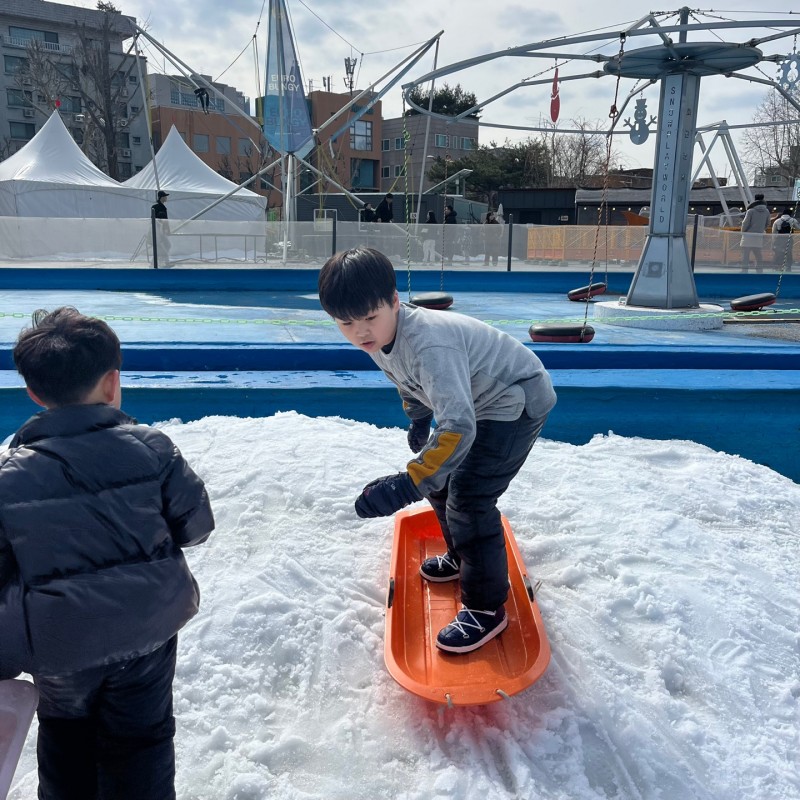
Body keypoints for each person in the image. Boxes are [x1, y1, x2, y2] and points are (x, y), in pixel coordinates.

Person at [0, 307, 215, 799]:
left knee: (66, 737)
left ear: (33, 393)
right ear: (113, 381)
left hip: (58, 646)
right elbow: (196, 526)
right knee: (144, 737)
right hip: (146, 628)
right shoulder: (153, 449)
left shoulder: (7, 477)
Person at [317, 248, 556, 654]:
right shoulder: (381, 337)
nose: (360, 332)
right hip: (474, 401)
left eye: (369, 318)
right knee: (440, 482)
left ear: (395, 301)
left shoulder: (429, 344)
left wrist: (406, 483)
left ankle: (485, 609)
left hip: (514, 401)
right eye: (346, 323)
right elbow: (408, 381)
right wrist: (418, 419)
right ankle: (462, 555)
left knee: (470, 498)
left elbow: (459, 426)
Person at [739, 193, 770, 272]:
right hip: (758, 236)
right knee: (758, 254)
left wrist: (743, 232)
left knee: (745, 254)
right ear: (763, 199)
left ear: (755, 199)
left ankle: (744, 270)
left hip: (748, 236)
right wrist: (761, 229)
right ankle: (759, 270)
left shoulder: (750, 211)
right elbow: (768, 223)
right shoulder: (766, 211)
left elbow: (745, 223)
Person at [151, 190, 171, 267]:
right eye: (165, 196)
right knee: (165, 245)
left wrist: (167, 230)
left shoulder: (163, 207)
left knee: (164, 246)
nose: (166, 198)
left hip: (161, 231)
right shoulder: (155, 207)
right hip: (157, 230)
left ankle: (157, 261)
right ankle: (164, 262)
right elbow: (153, 219)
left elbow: (166, 220)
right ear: (161, 198)